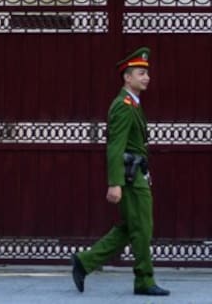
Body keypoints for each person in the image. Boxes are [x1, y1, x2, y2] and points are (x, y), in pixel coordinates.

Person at [70, 46, 170, 296]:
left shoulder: (133, 104)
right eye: (140, 73)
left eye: (146, 73)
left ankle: (85, 261)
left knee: (132, 226)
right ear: (127, 77)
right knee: (142, 228)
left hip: (137, 174)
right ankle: (144, 280)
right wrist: (114, 182)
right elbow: (115, 147)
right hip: (130, 177)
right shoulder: (123, 105)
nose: (146, 77)